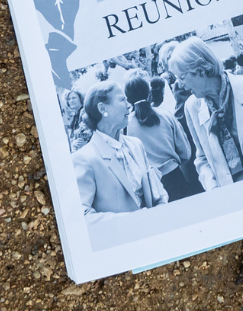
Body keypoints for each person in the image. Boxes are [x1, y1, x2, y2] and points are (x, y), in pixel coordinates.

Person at [167, 37, 243, 188]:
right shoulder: (192, 107)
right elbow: (202, 158)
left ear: (200, 71)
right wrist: (213, 187)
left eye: (181, 77)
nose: (179, 84)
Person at [72, 81, 170, 216]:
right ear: (102, 109)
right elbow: (83, 214)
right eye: (122, 99)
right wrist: (131, 220)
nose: (129, 105)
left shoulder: (136, 145)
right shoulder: (84, 159)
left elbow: (158, 192)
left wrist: (161, 209)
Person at [123, 75, 202, 200]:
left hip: (150, 186)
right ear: (149, 93)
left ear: (127, 99)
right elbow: (185, 152)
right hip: (175, 177)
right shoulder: (166, 115)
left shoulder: (125, 127)